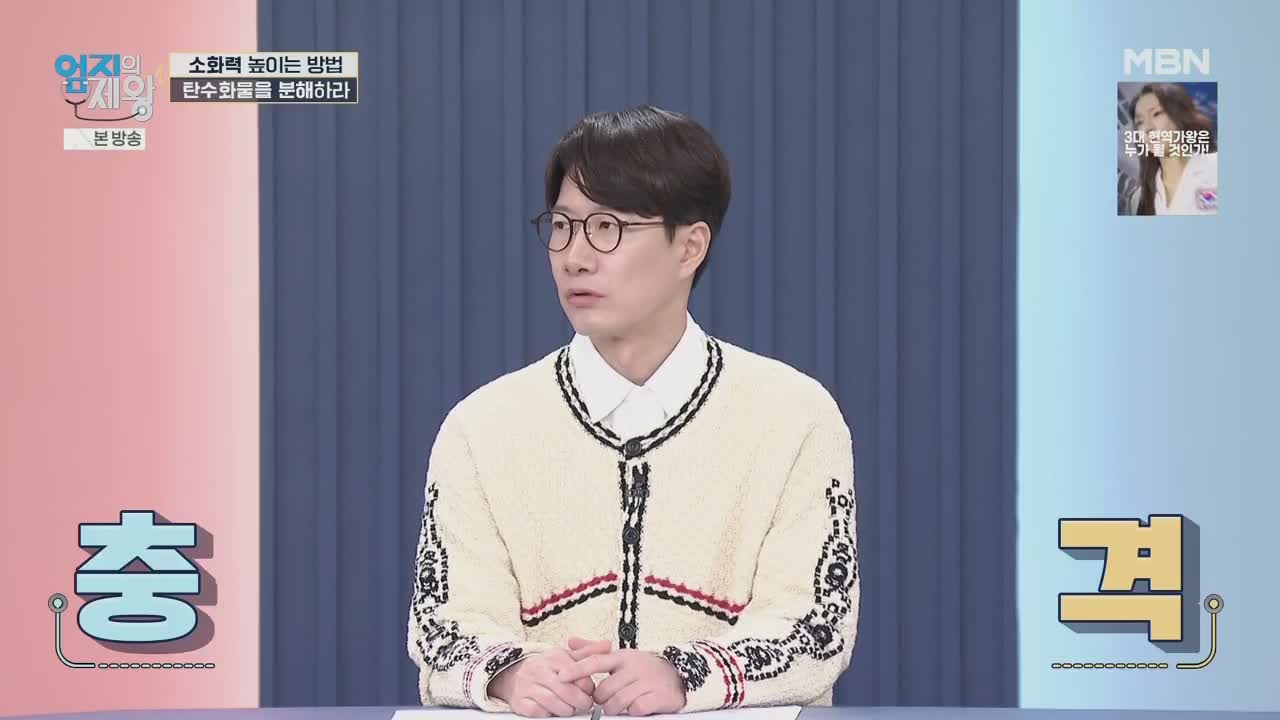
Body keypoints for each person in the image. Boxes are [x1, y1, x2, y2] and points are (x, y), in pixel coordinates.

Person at [406, 105, 860, 717]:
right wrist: (511, 674)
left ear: (689, 247)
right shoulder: (481, 428)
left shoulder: (795, 417)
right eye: (562, 226)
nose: (574, 256)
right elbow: (443, 626)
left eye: (608, 228)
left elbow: (815, 627)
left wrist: (684, 675)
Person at [1128, 83, 1219, 215]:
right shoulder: (1138, 200)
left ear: (1179, 116)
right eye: (1140, 122)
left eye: (1156, 114)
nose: (1148, 128)